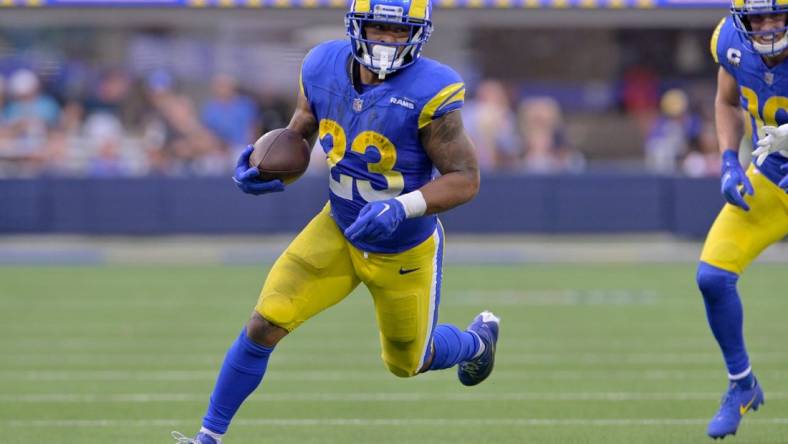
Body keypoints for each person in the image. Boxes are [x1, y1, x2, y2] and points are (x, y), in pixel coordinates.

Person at [172, 0, 500, 442]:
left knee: (408, 362)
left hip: (402, 246)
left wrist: (401, 207)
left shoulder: (432, 89)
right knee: (265, 322)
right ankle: (208, 437)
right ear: (356, 26)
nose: (386, 39)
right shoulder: (322, 66)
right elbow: (300, 131)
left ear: (418, 35)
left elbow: (465, 179)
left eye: (398, 31)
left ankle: (476, 343)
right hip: (338, 227)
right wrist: (264, 167)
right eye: (378, 28)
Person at [699, 3, 788, 439]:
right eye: (758, 18)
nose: (768, 27)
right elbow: (726, 99)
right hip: (772, 177)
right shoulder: (730, 42)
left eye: (778, 16)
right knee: (712, 277)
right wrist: (729, 161)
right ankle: (742, 384)